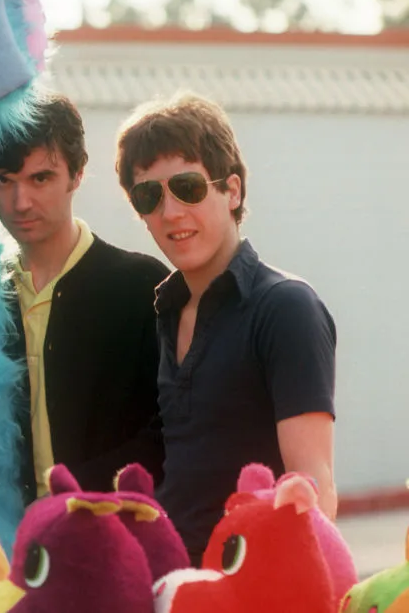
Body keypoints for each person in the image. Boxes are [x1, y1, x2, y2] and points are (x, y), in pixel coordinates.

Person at [115, 91, 337, 563]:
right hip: (173, 586)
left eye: (188, 187)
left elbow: (313, 492)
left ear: (231, 190)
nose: (171, 211)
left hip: (250, 587)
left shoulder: (285, 307)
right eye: (149, 195)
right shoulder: (165, 310)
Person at [0, 93, 169, 501]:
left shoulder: (141, 286)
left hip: (114, 533)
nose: (21, 202)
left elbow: (172, 428)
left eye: (41, 178)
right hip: (7, 544)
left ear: (77, 173)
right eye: (3, 180)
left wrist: (78, 495)